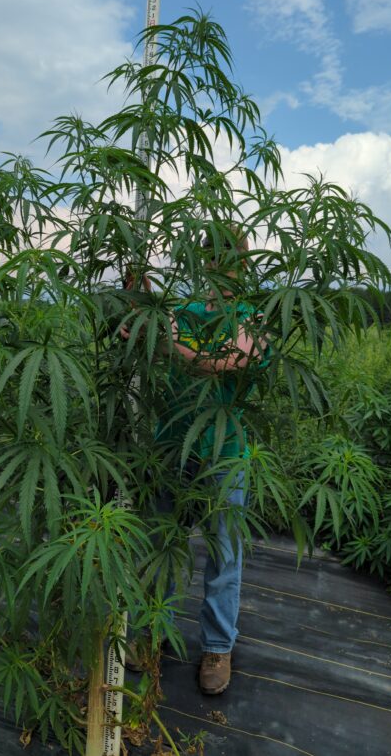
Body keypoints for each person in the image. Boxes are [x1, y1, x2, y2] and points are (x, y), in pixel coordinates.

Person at [122, 231, 269, 695]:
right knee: (160, 546)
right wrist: (137, 303)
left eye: (227, 259)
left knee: (224, 556)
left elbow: (228, 361)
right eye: (210, 257)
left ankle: (218, 646)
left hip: (226, 455)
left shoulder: (254, 317)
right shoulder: (182, 312)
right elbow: (146, 322)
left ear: (242, 266)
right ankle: (152, 631)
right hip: (173, 447)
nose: (218, 267)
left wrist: (168, 346)